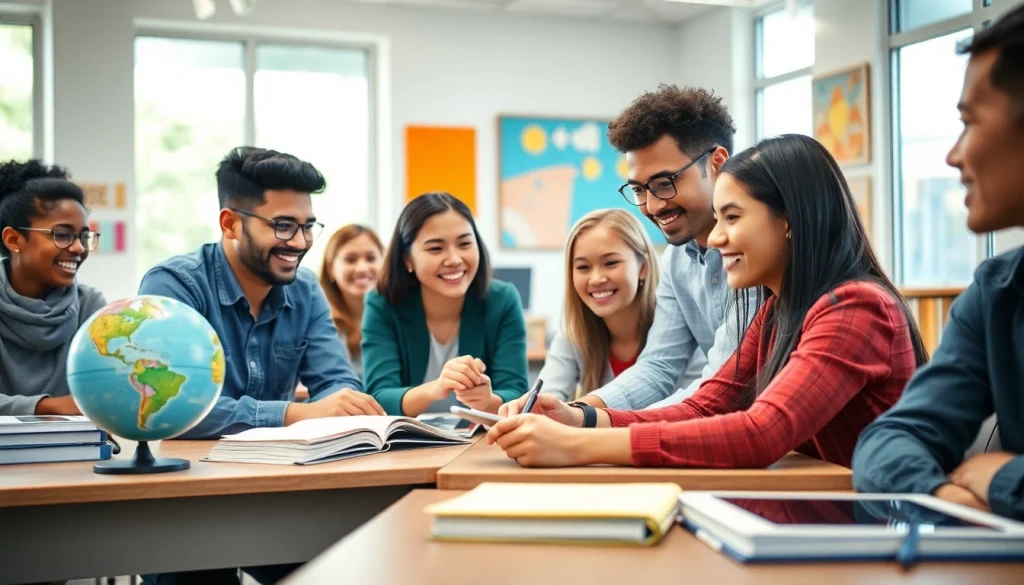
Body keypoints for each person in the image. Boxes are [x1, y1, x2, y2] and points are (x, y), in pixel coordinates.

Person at [487, 134, 928, 470]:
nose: (716, 238)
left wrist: (576, 446)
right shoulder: (782, 309)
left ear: (789, 221)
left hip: (875, 525)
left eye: (732, 218)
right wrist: (578, 418)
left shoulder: (856, 308)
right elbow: (705, 406)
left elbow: (762, 432)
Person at [853, 5, 1024, 521]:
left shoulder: (854, 306)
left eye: (969, 122)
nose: (953, 156)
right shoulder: (997, 292)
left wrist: (1003, 480)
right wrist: (952, 498)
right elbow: (888, 442)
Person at [138, 147, 382, 445]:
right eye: (283, 226)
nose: (300, 241)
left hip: (285, 466)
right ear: (230, 224)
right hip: (196, 471)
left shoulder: (305, 290)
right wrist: (296, 414)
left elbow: (336, 380)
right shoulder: (176, 286)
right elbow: (172, 407)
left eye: (307, 226)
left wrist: (342, 404)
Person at [576, 85, 756, 412]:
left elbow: (724, 384)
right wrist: (578, 411)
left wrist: (594, 426)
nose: (652, 205)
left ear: (716, 164)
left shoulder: (756, 250)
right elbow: (658, 367)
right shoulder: (677, 257)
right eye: (639, 189)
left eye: (664, 184)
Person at [361, 192, 528, 416]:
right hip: (406, 445)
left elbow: (517, 393)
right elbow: (379, 397)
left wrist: (487, 400)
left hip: (480, 443)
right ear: (407, 259)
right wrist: (437, 388)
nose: (454, 259)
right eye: (436, 248)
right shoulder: (382, 304)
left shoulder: (502, 300)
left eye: (465, 244)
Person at [540, 209, 681, 401]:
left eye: (610, 263)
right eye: (583, 267)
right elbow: (547, 396)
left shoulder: (680, 328)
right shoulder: (573, 335)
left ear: (643, 268)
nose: (596, 279)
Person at [0, 159, 106, 415]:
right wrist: (49, 406)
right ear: (14, 239)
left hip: (78, 452)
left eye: (83, 236)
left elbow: (107, 393)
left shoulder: (90, 306)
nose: (79, 248)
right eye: (61, 234)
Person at [319, 224, 384, 375]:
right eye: (350, 260)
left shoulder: (401, 317)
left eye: (371, 258)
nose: (362, 268)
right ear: (330, 269)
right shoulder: (321, 323)